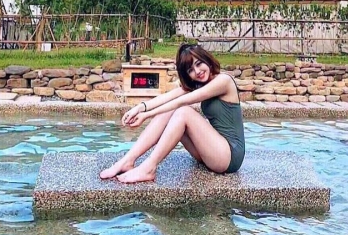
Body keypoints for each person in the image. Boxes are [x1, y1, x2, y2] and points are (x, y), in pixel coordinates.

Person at [100, 43, 245, 184]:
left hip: (229, 156)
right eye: (191, 70)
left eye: (199, 63)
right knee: (169, 111)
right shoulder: (200, 84)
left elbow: (182, 101)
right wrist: (140, 108)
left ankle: (149, 168)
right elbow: (168, 97)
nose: (197, 71)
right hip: (211, 152)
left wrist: (147, 115)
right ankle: (127, 160)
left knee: (183, 112)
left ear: (207, 59)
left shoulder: (224, 81)